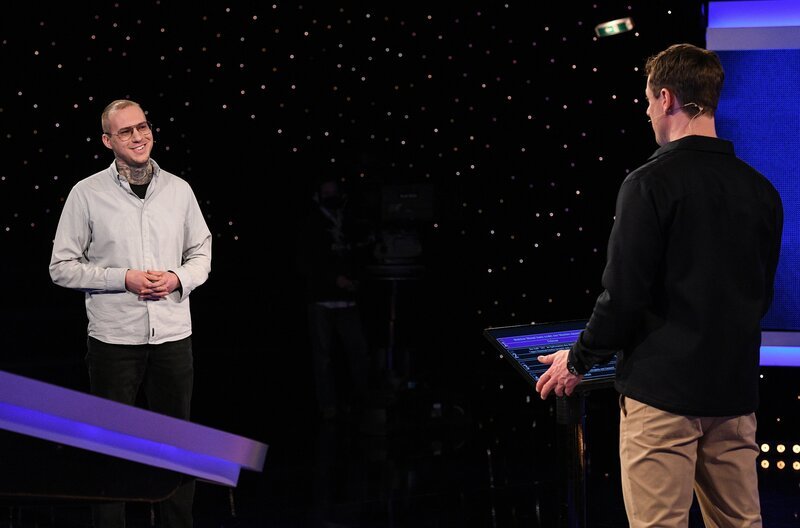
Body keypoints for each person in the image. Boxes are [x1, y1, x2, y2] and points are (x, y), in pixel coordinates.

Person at [535, 43, 783, 527]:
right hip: (733, 398)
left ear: (666, 98)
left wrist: (579, 358)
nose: (648, 111)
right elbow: (761, 297)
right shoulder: (761, 190)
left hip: (662, 399)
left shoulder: (648, 183)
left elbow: (624, 294)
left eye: (648, 100)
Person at [49, 99, 212, 528]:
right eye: (126, 132)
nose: (138, 137)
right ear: (108, 141)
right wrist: (124, 278)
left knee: (176, 439)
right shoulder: (86, 193)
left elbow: (201, 251)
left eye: (142, 127)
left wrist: (178, 278)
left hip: (173, 334)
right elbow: (61, 268)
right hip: (114, 338)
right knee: (112, 446)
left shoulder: (179, 189)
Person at [297, 176, 372, 423]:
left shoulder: (348, 219)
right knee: (324, 357)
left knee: (357, 352)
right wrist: (334, 279)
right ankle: (328, 406)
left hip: (348, 300)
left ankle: (360, 402)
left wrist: (355, 278)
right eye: (326, 192)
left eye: (334, 191)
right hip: (321, 301)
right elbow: (310, 261)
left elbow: (359, 253)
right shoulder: (312, 223)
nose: (331, 196)